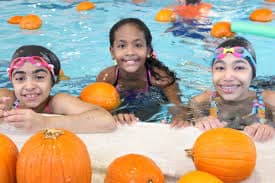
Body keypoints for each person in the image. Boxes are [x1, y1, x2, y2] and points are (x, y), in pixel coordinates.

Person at [0, 45, 116, 133]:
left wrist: (45, 122)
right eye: (20, 78)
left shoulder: (57, 102)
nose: (29, 86)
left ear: (53, 81)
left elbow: (106, 121)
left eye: (39, 77)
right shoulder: (8, 98)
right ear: (12, 81)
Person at [96, 18, 189, 127]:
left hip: (151, 107)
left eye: (138, 45)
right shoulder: (107, 78)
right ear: (112, 52)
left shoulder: (161, 78)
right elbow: (96, 110)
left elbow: (178, 106)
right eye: (122, 46)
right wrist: (114, 115)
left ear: (148, 50)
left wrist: (178, 118)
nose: (130, 52)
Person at [189, 36, 275, 142]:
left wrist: (270, 127)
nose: (227, 77)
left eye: (239, 67)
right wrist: (200, 121)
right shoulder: (201, 101)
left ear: (253, 74)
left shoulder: (270, 100)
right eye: (220, 68)